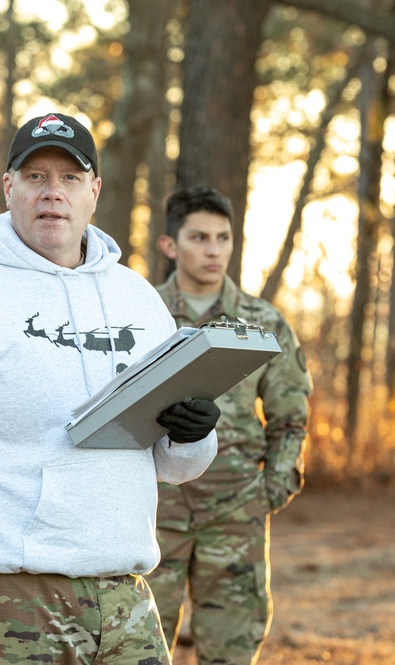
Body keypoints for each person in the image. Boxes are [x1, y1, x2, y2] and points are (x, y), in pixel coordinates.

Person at [0, 112, 221, 664]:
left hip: (124, 600)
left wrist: (193, 437)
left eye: (70, 178)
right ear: (9, 188)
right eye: (35, 177)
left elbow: (171, 466)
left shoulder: (139, 301)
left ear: (94, 192)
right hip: (6, 601)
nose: (52, 193)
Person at [144, 186, 312, 664]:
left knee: (231, 653)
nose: (214, 249)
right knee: (140, 650)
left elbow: (291, 417)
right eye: (198, 237)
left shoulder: (262, 323)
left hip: (235, 513)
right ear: (170, 245)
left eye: (223, 238)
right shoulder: (143, 314)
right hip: (157, 513)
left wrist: (271, 490)